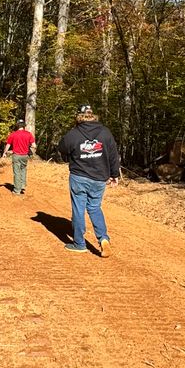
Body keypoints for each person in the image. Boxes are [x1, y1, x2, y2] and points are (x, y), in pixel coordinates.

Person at [58, 103, 120, 255]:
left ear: (78, 116)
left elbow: (62, 148)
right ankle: (103, 239)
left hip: (79, 177)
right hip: (100, 178)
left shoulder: (73, 134)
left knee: (79, 209)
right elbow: (113, 154)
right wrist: (115, 175)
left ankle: (79, 244)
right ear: (93, 115)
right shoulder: (105, 132)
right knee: (94, 207)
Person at [3, 118, 35, 196]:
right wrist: (28, 149)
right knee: (23, 170)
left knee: (17, 172)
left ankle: (17, 190)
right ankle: (22, 185)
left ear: (17, 126)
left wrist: (4, 153)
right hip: (25, 156)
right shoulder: (29, 134)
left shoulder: (13, 134)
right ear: (24, 126)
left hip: (16, 155)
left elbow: (8, 145)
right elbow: (34, 146)